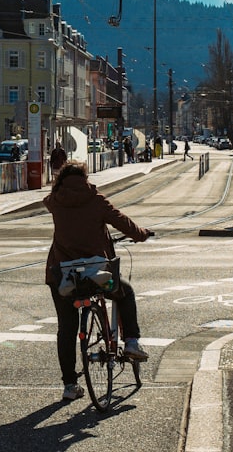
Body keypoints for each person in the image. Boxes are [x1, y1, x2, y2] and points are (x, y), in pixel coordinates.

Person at [44, 161, 152, 401]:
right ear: (85, 178)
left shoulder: (55, 200)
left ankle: (70, 386)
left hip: (62, 274)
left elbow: (47, 201)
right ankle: (132, 342)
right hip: (96, 273)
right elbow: (121, 220)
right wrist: (141, 234)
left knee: (67, 328)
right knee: (125, 292)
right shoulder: (95, 199)